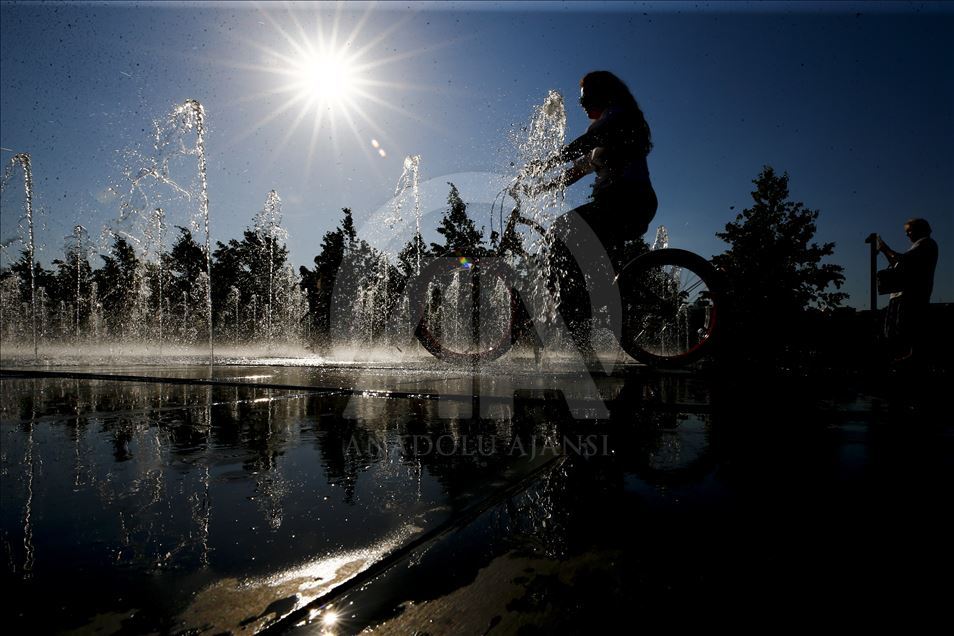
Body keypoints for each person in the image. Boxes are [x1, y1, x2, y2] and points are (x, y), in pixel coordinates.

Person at [531, 70, 658, 354]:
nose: (581, 103)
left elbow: (586, 143)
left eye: (585, 96)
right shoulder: (608, 127)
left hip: (627, 201)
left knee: (561, 231)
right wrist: (540, 187)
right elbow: (579, 168)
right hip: (619, 203)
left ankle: (580, 330)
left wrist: (544, 163)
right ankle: (591, 318)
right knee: (581, 257)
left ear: (604, 93)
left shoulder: (620, 115)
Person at [876, 218, 938, 363]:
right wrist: (886, 252)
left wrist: (886, 249)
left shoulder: (926, 244)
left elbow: (903, 261)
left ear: (919, 230)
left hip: (910, 296)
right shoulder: (918, 247)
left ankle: (907, 360)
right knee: (894, 333)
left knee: (904, 332)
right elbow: (899, 264)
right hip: (901, 295)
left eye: (909, 231)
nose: (907, 235)